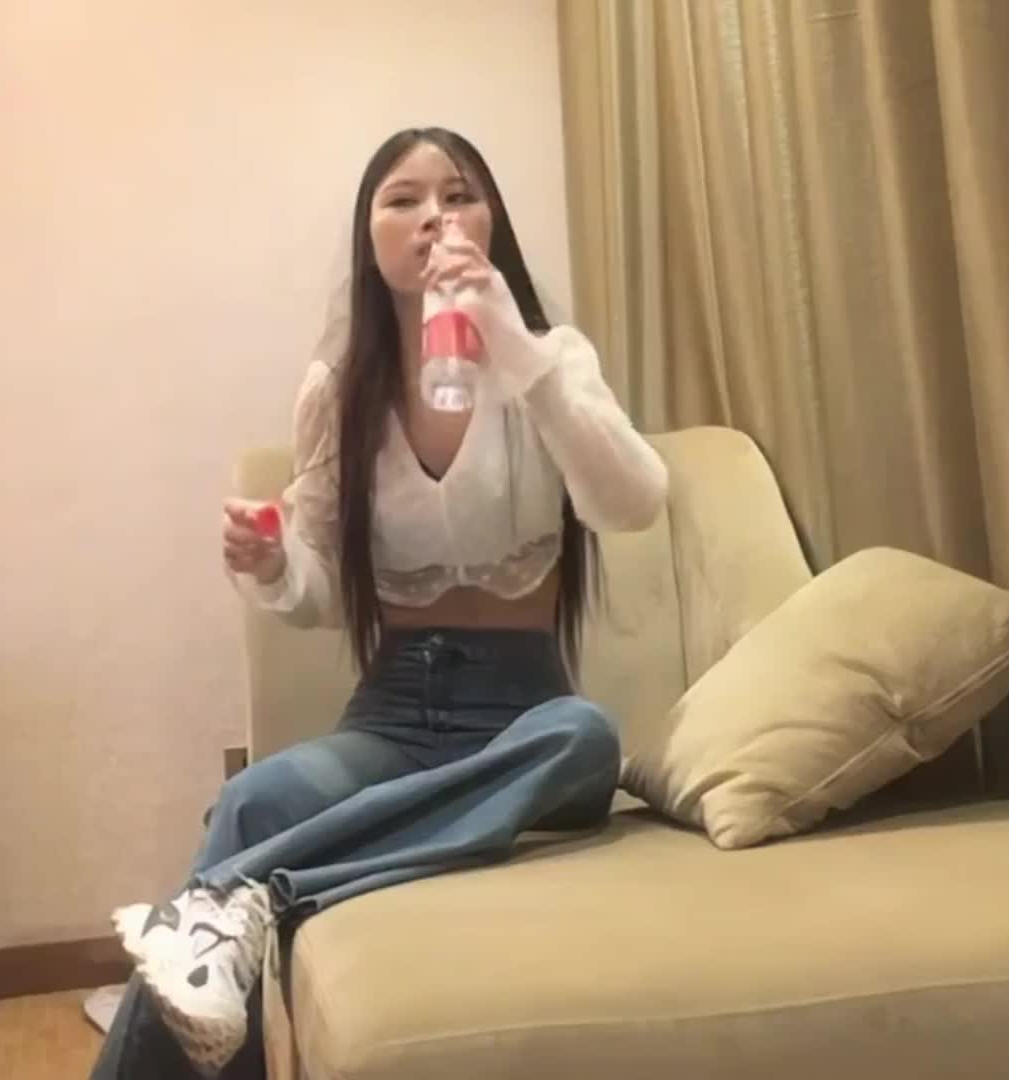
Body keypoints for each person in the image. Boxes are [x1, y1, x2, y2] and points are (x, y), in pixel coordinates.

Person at [91, 126, 668, 1079]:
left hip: (523, 717)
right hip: (395, 717)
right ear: (371, 238)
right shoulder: (339, 392)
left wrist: (517, 349)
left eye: (459, 194)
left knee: (585, 735)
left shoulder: (550, 361)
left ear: (492, 222)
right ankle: (220, 928)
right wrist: (271, 561)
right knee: (254, 798)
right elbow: (318, 593)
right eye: (404, 199)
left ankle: (238, 897)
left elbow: (635, 503)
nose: (434, 216)